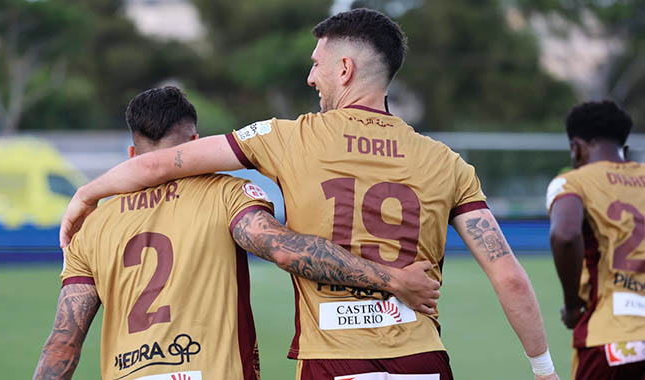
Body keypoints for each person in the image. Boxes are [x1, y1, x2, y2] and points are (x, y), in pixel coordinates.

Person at [60, 9, 559, 380]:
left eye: (317, 64)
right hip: (422, 359)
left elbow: (160, 163)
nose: (310, 76)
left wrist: (86, 195)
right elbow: (509, 277)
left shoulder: (288, 136)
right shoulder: (448, 163)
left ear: (344, 70)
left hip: (333, 360)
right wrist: (544, 369)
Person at [34, 86, 440, 380]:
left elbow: (62, 343)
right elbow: (284, 250)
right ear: (194, 144)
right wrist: (392, 280)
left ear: (130, 156)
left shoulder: (94, 226)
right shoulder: (226, 194)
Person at [547, 100, 645, 379]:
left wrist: (573, 305)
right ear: (623, 150)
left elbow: (565, 236)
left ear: (576, 148)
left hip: (610, 336)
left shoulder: (573, 181)